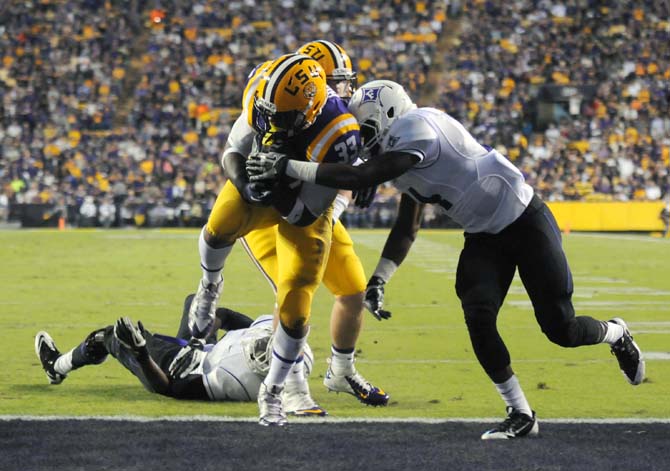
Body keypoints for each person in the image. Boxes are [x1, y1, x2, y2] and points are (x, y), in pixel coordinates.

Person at [246, 79, 646, 439]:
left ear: (387, 116)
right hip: (484, 236)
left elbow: (361, 177)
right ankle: (520, 412)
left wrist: (287, 165)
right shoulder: (400, 158)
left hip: (525, 220)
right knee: (478, 313)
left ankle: (616, 333)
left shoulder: (418, 127)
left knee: (561, 328)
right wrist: (380, 278)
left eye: (366, 130)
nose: (362, 142)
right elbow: (407, 227)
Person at [187, 53, 358, 426]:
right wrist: (248, 184)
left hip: (304, 202)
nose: (272, 122)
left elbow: (304, 213)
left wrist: (279, 186)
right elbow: (232, 152)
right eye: (269, 112)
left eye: (283, 117)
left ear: (309, 114)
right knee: (219, 226)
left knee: (295, 309)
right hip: (260, 184)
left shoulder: (337, 135)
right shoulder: (263, 89)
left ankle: (274, 392)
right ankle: (209, 286)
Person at [239, 40, 388, 411]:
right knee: (292, 297)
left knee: (353, 291)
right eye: (338, 81)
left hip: (317, 217)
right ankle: (289, 388)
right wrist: (355, 177)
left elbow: (341, 165)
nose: (346, 89)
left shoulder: (334, 118)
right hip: (270, 218)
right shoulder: (283, 114)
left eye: (346, 80)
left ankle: (341, 370)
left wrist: (365, 170)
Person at [34, 296, 318, 411]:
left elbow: (170, 387)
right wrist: (203, 331)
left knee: (109, 335)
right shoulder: (285, 339)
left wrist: (142, 354)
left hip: (174, 366)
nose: (257, 344)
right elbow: (226, 316)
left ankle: (56, 366)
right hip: (203, 350)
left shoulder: (237, 381)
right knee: (196, 302)